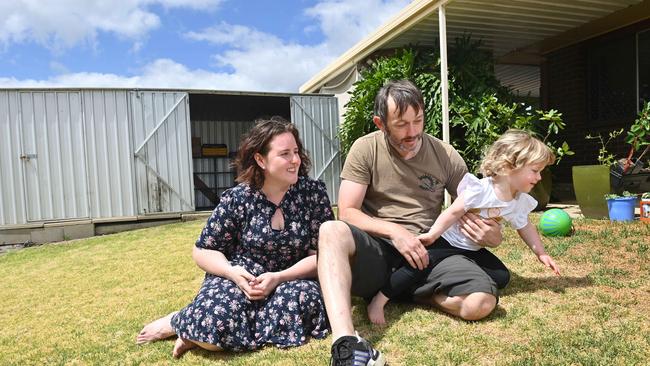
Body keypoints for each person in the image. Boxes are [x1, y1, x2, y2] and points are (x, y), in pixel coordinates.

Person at [318, 79, 504, 366]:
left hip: (427, 253)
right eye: (402, 124)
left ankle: (410, 293)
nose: (413, 132)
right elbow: (348, 212)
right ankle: (345, 343)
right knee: (331, 230)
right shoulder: (364, 149)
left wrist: (492, 234)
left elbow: (474, 204)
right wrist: (395, 231)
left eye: (418, 120)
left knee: (481, 303)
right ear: (381, 123)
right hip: (379, 249)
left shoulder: (445, 154)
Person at [136, 116, 332, 357]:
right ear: (260, 159)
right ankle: (182, 321)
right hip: (241, 279)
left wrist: (279, 277)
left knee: (306, 301)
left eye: (296, 152)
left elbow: (323, 257)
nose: (295, 160)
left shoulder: (312, 194)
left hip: (291, 278)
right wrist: (232, 273)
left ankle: (196, 332)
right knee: (218, 318)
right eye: (285, 154)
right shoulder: (238, 198)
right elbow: (203, 250)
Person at [367, 129, 561, 325]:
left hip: (471, 250)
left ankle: (435, 286)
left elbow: (525, 227)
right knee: (417, 264)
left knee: (501, 276)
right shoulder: (481, 190)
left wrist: (541, 253)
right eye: (535, 171)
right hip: (447, 242)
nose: (539, 178)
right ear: (509, 166)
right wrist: (433, 235)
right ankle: (380, 299)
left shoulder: (519, 200)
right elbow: (451, 212)